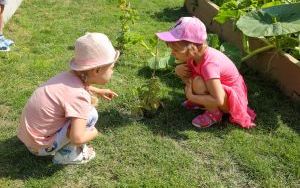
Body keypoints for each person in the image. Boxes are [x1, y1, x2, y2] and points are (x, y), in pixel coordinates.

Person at [17, 33, 119, 164]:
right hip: (40, 147)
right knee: (91, 115)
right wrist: (95, 132)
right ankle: (67, 155)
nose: (113, 71)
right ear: (97, 70)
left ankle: (58, 146)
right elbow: (77, 138)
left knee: (80, 114)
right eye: (112, 68)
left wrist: (97, 90)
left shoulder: (67, 78)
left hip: (30, 139)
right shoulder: (79, 96)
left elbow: (76, 88)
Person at [156, 17, 256, 129]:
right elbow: (189, 79)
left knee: (199, 83)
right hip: (219, 92)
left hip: (232, 101)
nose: (172, 53)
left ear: (192, 48)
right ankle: (203, 102)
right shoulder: (194, 56)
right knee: (196, 80)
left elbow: (218, 99)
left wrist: (192, 97)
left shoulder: (210, 65)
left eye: (176, 50)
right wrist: (178, 71)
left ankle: (214, 114)